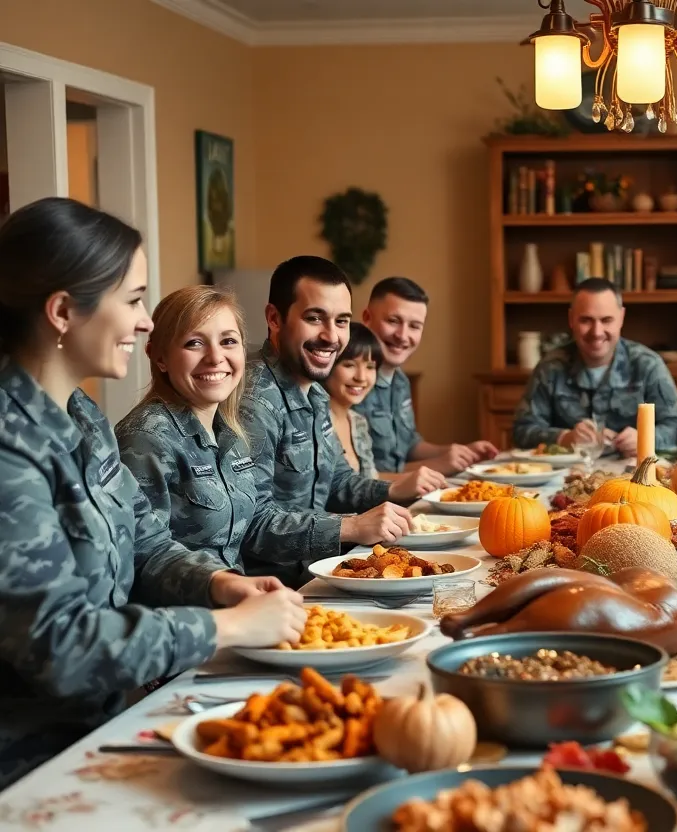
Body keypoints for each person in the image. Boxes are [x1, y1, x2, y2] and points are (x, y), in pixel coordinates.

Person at [0, 198, 305, 788]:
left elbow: (146, 544)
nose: (145, 323)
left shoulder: (83, 417)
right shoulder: (10, 448)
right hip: (28, 771)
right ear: (64, 311)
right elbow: (60, 644)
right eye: (135, 301)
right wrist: (229, 628)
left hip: (100, 735)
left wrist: (221, 584)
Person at [116, 286, 370, 577]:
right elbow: (142, 558)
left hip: (241, 605)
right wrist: (226, 588)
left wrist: (352, 524)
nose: (215, 357)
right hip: (195, 616)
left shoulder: (229, 429)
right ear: (159, 357)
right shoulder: (146, 438)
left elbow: (255, 521)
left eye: (228, 341)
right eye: (194, 343)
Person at [241, 256, 444, 585]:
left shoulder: (315, 391)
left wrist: (395, 489)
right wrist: (351, 527)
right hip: (273, 588)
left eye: (341, 321)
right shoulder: (254, 401)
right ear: (275, 319)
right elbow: (251, 523)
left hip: (321, 573)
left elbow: (338, 482)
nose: (331, 336)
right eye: (314, 318)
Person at [513, 278, 677, 455]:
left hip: (633, 475)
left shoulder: (648, 365)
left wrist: (647, 439)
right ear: (571, 319)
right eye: (586, 320)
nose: (597, 332)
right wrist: (564, 438)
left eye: (607, 320)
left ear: (621, 318)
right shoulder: (550, 368)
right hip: (567, 477)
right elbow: (522, 430)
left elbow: (676, 426)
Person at [359, 277, 497, 475]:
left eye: (414, 326)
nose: (403, 335)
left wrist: (456, 452)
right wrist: (436, 465)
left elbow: (409, 445)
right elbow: (353, 478)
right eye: (393, 321)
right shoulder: (349, 383)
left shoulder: (401, 381)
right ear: (366, 317)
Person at [327, 321, 380, 477]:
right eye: (349, 365)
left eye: (370, 367)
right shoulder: (314, 422)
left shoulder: (358, 422)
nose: (361, 377)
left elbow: (371, 484)